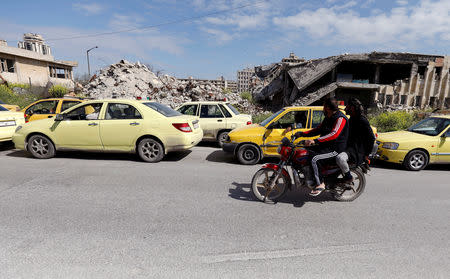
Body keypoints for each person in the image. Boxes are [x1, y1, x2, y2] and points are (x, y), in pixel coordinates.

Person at [294, 98, 349, 196]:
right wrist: (301, 134)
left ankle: (320, 184)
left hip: (335, 149)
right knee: (306, 152)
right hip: (326, 146)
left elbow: (334, 134)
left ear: (327, 107)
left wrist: (314, 140)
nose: (323, 108)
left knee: (315, 159)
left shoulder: (340, 118)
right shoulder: (328, 116)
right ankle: (310, 177)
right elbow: (318, 129)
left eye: (324, 106)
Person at [336, 98, 376, 182]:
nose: (346, 108)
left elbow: (371, 138)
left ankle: (348, 178)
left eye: (348, 106)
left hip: (355, 152)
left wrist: (366, 154)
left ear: (353, 108)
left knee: (340, 158)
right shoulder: (351, 119)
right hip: (348, 148)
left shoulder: (362, 120)